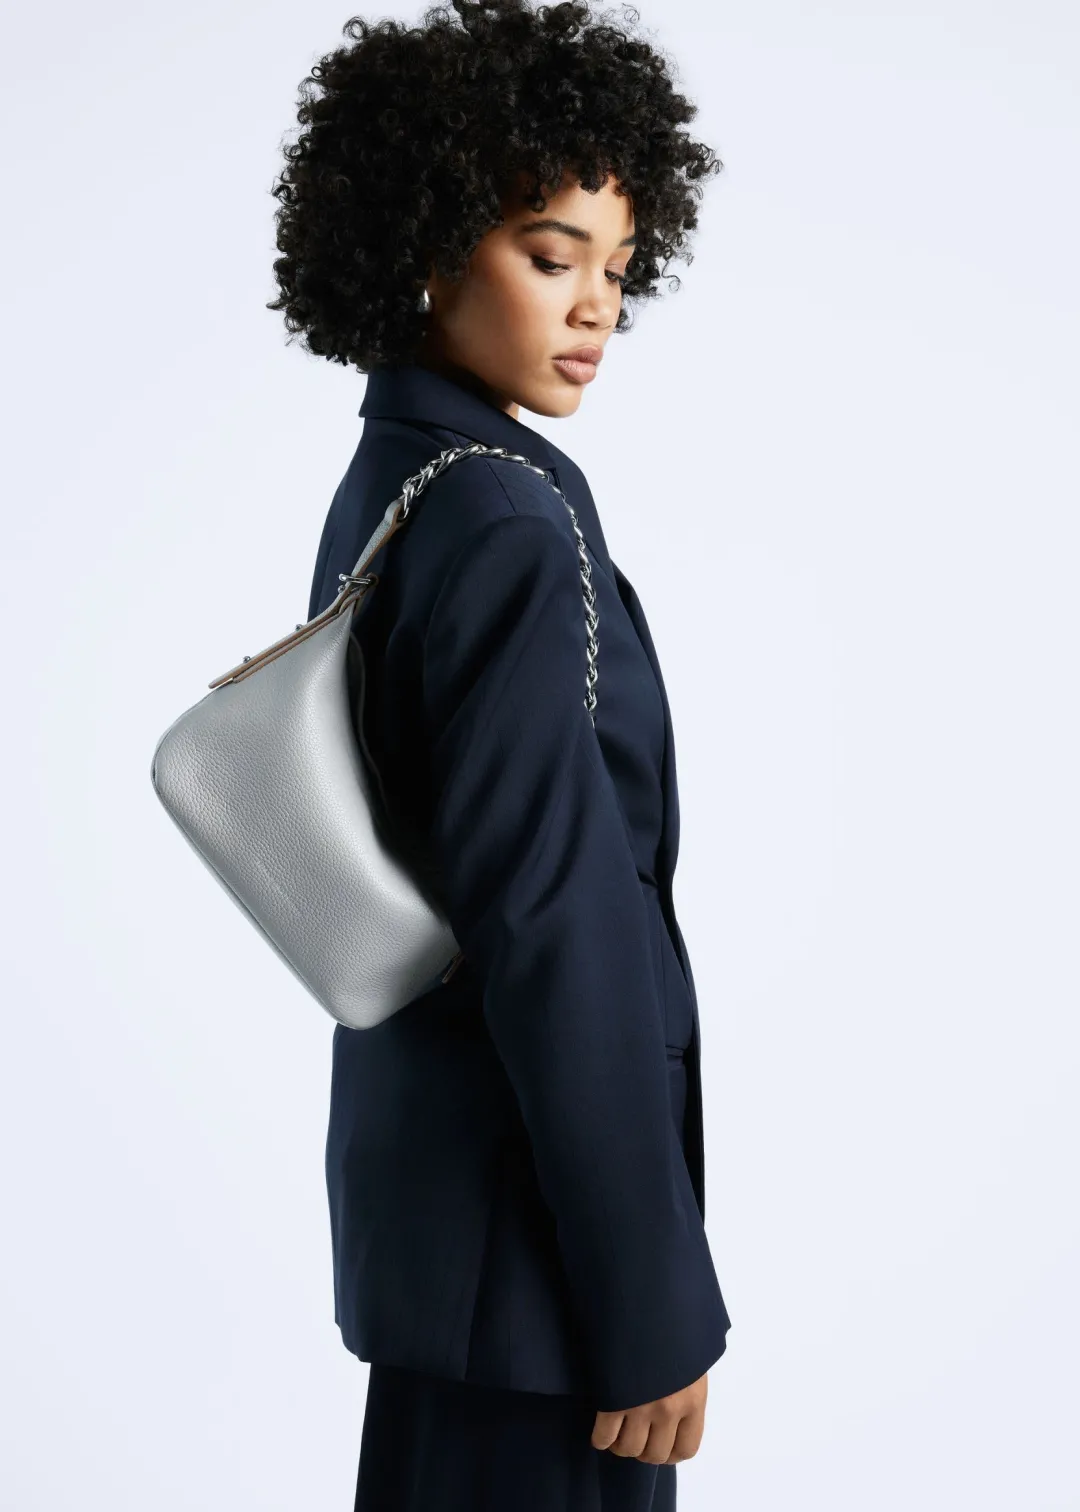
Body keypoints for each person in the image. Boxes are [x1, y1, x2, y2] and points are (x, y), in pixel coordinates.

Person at [266, 1, 732, 1505]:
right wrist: (649, 1303)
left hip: (446, 1251)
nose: (595, 307)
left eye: (618, 268)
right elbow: (553, 926)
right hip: (543, 1285)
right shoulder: (507, 522)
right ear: (428, 243)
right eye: (549, 256)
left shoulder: (401, 479)